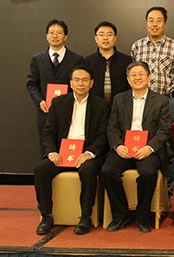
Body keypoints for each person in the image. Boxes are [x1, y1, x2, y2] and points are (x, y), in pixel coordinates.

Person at [34, 65, 109, 235]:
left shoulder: (101, 105)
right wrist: (52, 152)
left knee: (89, 169)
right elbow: (48, 132)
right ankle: (46, 216)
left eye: (84, 80)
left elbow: (102, 136)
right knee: (41, 169)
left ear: (91, 83)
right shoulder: (58, 102)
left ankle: (85, 216)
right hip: (61, 153)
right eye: (76, 80)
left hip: (85, 153)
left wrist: (89, 153)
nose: (80, 83)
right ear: (70, 82)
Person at [101, 61, 171, 233]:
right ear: (128, 79)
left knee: (148, 173)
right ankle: (121, 215)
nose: (137, 78)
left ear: (149, 77)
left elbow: (164, 130)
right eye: (133, 75)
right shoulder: (119, 99)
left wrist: (149, 148)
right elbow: (112, 127)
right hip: (124, 148)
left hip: (148, 149)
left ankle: (143, 216)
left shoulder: (161, 100)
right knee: (107, 171)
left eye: (141, 74)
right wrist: (118, 146)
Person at [131, 6, 174, 194]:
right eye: (151, 20)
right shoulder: (137, 46)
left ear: (165, 23)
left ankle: (167, 190)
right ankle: (148, 186)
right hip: (141, 101)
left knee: (167, 144)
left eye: (159, 20)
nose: (154, 24)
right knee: (142, 140)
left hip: (166, 101)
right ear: (146, 23)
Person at [27, 19, 84, 156]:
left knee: (69, 155)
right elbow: (31, 83)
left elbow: (80, 84)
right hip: (45, 113)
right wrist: (39, 101)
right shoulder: (37, 59)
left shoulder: (76, 59)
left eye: (59, 32)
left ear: (65, 36)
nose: (55, 36)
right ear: (46, 36)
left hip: (69, 113)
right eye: (51, 32)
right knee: (47, 155)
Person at [83, 21, 132, 105]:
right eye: (101, 35)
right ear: (96, 38)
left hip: (121, 106)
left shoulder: (126, 61)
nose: (105, 38)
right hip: (94, 107)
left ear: (115, 38)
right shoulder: (87, 62)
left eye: (109, 34)